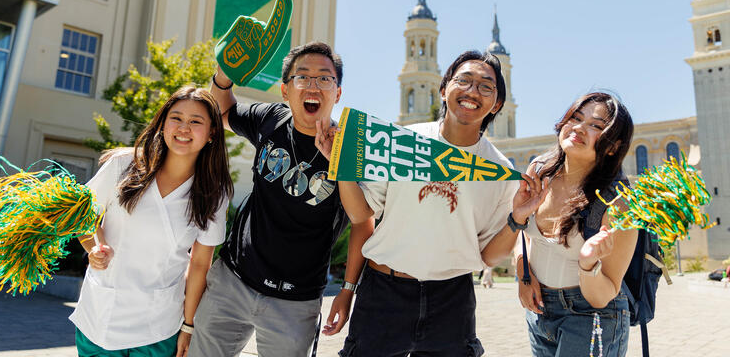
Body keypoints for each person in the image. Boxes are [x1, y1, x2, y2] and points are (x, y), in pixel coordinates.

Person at [323, 50, 547, 357]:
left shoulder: (500, 171)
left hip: (451, 301)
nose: (472, 91)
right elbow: (362, 214)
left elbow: (489, 255)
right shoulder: (402, 141)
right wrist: (343, 166)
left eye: (485, 86)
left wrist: (517, 219)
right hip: (383, 295)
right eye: (464, 80)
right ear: (444, 89)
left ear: (496, 105)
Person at [189, 42, 374, 357]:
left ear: (338, 93)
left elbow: (362, 221)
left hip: (296, 301)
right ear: (286, 91)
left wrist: (347, 290)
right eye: (302, 77)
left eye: (324, 78)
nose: (312, 85)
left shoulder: (353, 149)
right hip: (233, 281)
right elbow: (220, 112)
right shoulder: (271, 118)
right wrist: (224, 75)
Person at [69, 86, 233, 357]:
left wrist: (189, 326)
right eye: (176, 118)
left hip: (158, 328)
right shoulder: (123, 165)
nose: (184, 128)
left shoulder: (215, 192)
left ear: (212, 132)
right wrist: (93, 247)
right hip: (101, 318)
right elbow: (81, 216)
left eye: (195, 122)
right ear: (163, 122)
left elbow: (200, 263)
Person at [515, 92, 638, 356]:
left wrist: (588, 263)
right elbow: (523, 230)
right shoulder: (539, 170)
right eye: (576, 118)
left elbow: (603, 294)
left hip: (593, 316)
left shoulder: (618, 203)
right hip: (539, 311)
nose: (579, 128)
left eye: (596, 125)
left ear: (614, 145)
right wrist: (523, 273)